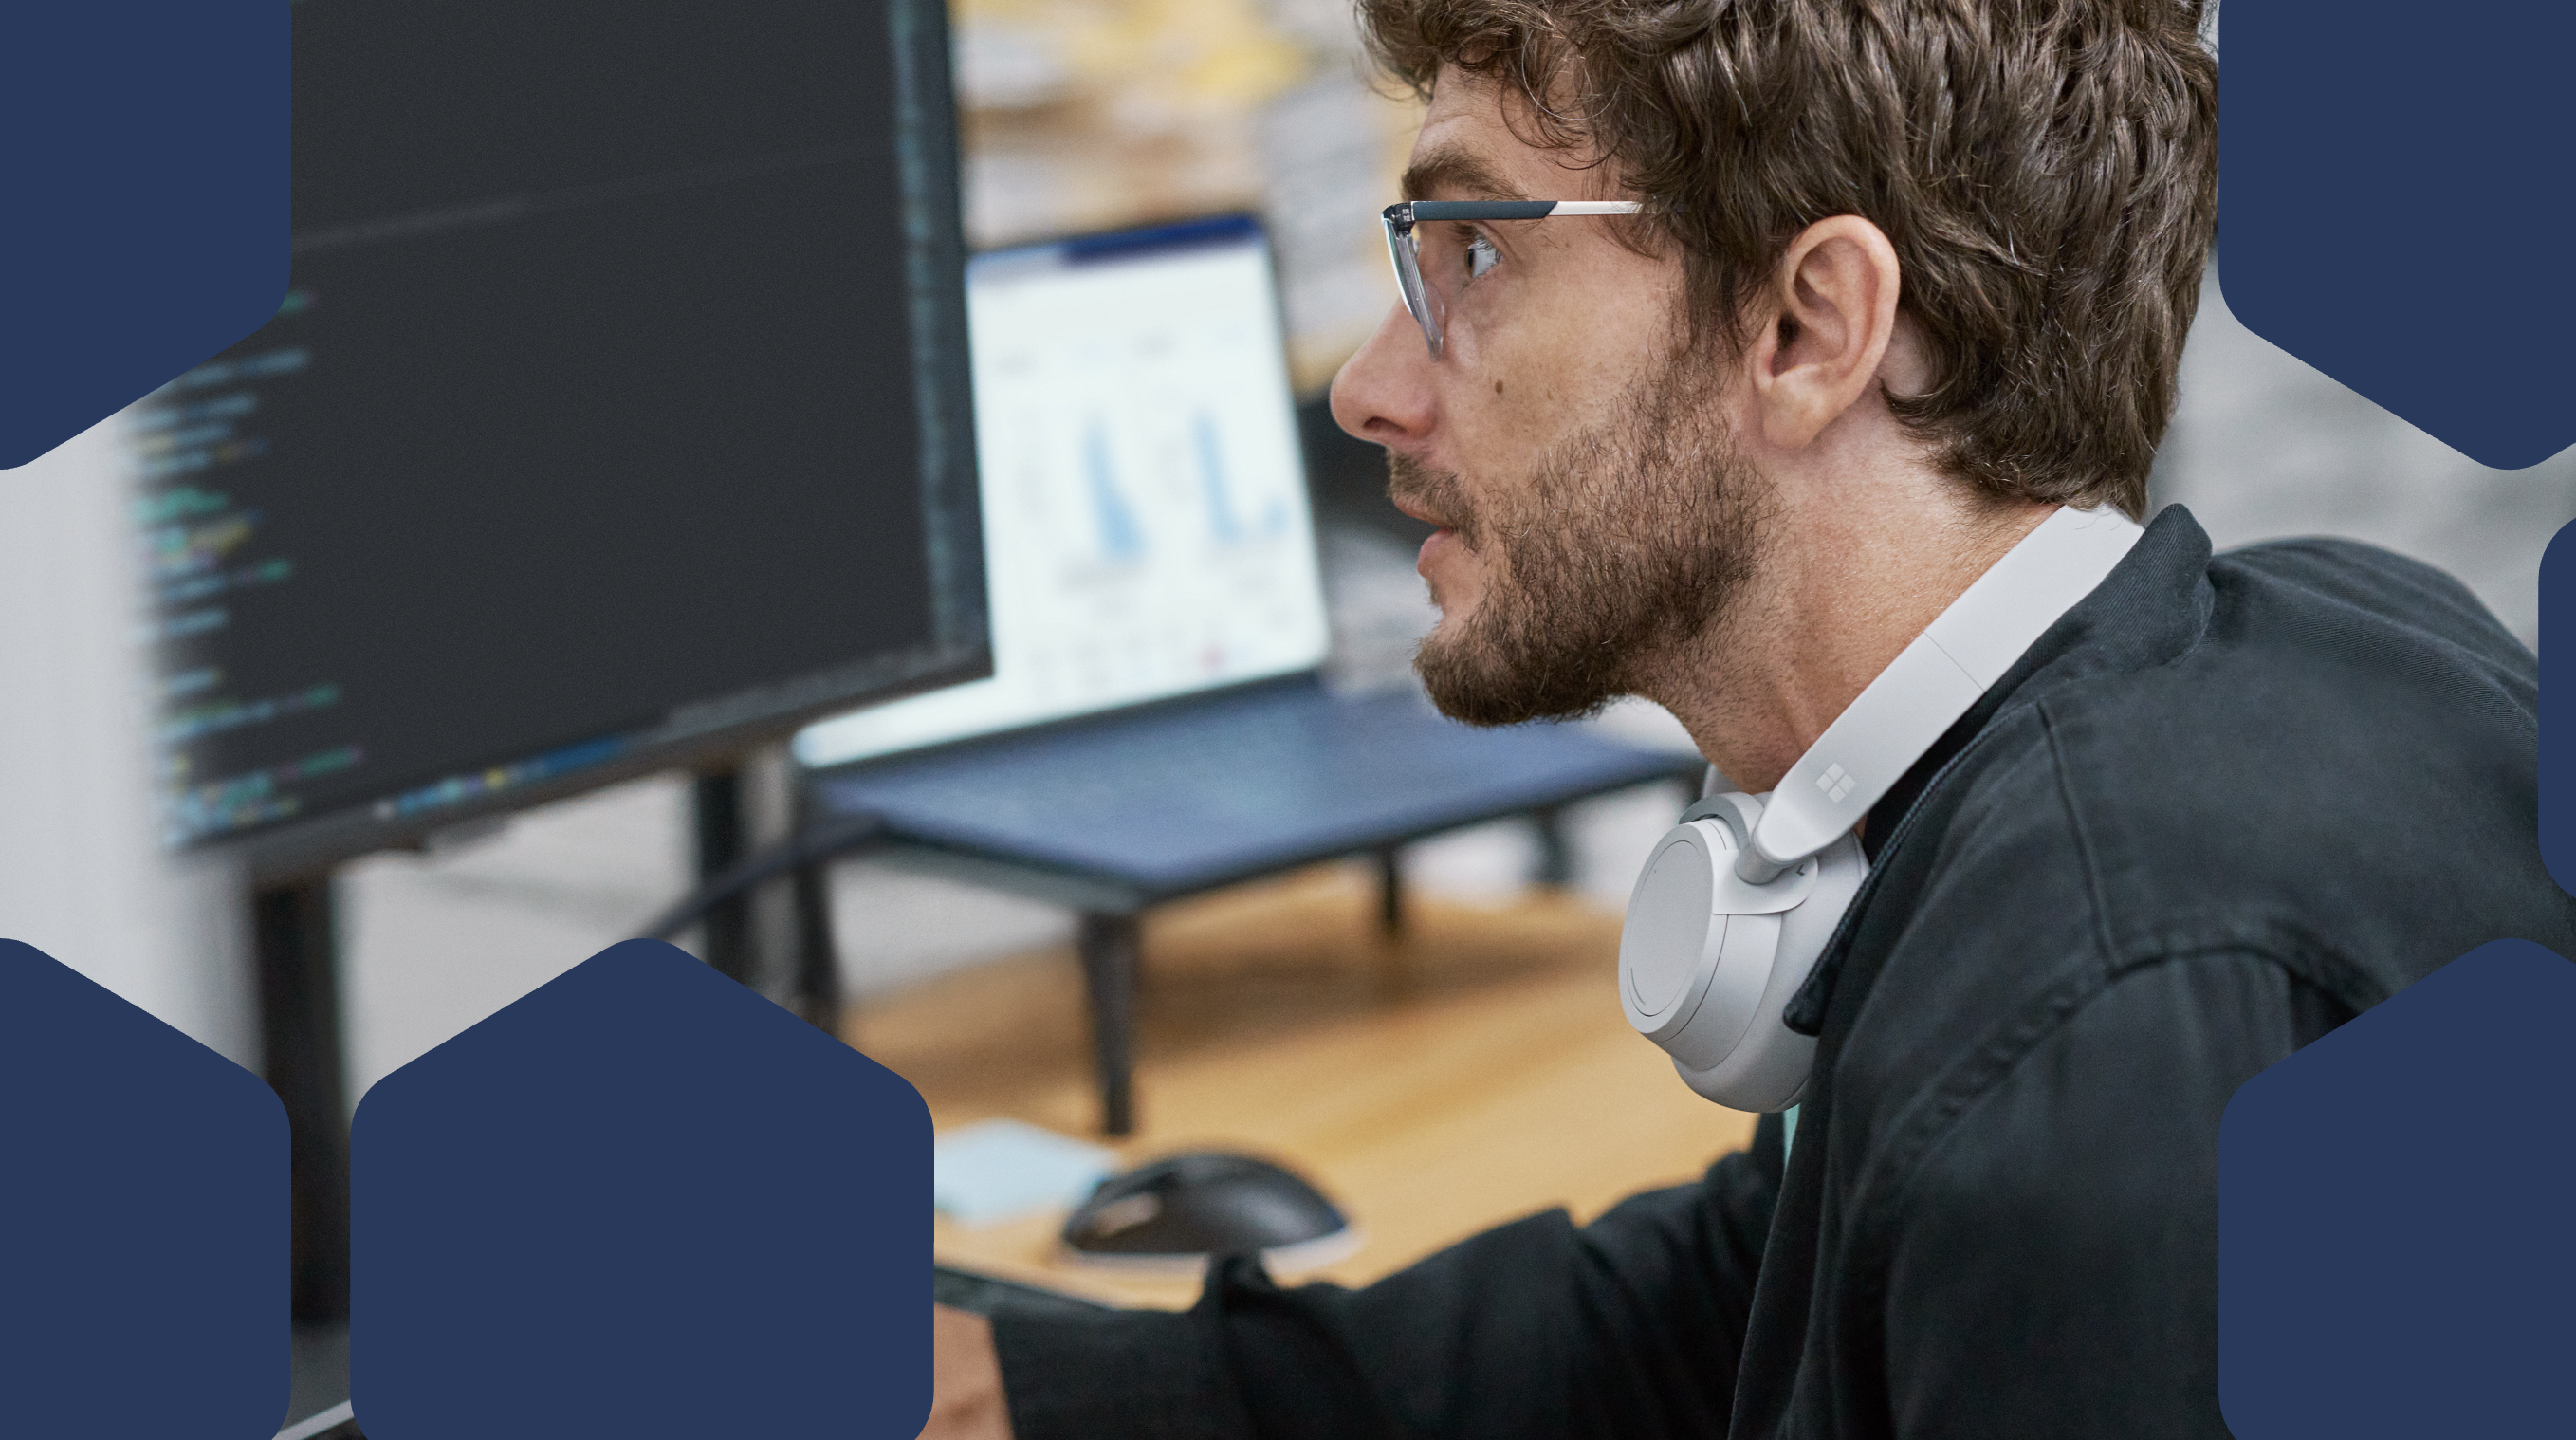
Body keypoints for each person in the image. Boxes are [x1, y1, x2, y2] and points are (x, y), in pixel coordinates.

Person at [925, 0, 2576, 1434]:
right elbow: (1723, 1307)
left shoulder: (2101, 1027)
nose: (1371, 383)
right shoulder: (2310, 651)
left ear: (1807, 327)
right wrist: (1068, 1400)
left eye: (1477, 248)